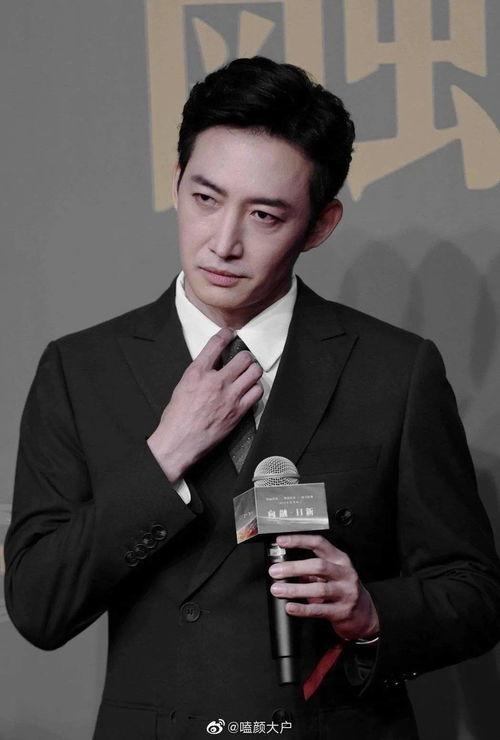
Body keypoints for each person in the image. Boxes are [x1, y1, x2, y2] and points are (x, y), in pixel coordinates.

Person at [4, 56, 500, 740]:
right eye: (206, 199)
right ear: (176, 183)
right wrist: (164, 456)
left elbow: (473, 592)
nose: (224, 243)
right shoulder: (81, 369)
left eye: (264, 215)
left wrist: (369, 612)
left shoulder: (394, 370)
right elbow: (37, 605)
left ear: (320, 224)